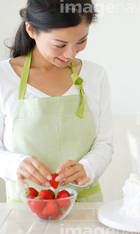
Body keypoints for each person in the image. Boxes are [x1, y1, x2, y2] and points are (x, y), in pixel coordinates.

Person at [0, 0, 113, 202]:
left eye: (81, 40)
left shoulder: (95, 75)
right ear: (31, 30)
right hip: (25, 213)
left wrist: (87, 168)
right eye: (59, 45)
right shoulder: (3, 77)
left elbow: (104, 144)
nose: (71, 53)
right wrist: (15, 164)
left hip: (85, 206)